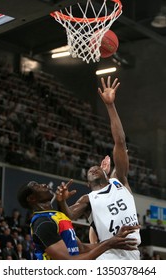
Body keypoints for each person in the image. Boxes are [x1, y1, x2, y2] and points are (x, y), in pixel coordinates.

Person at [56, 76, 141, 260]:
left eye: (96, 167)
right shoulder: (89, 198)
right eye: (90, 170)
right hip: (107, 255)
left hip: (133, 255)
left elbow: (120, 141)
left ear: (105, 173)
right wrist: (62, 202)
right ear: (87, 183)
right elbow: (69, 215)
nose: (93, 168)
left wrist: (110, 106)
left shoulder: (120, 182)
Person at [17, 180, 139, 260]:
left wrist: (115, 242)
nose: (44, 185)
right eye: (37, 186)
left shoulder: (56, 216)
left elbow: (80, 248)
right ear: (32, 198)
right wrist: (108, 244)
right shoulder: (42, 223)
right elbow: (69, 263)